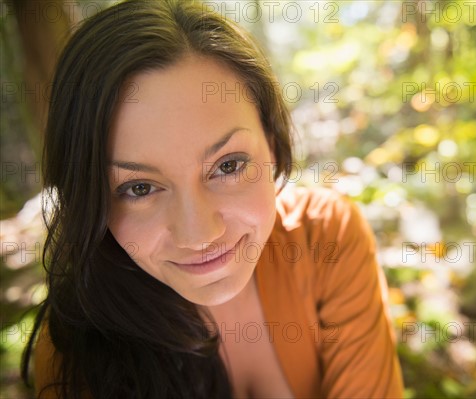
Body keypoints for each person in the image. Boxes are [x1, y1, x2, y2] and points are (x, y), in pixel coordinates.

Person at [22, 0, 404, 398]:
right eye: (139, 188)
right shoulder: (75, 349)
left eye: (228, 165)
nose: (200, 234)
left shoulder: (325, 238)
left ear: (272, 144)